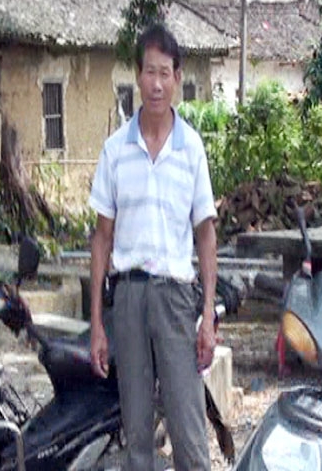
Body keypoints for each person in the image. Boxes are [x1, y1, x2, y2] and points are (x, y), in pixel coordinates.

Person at [88, 23, 217, 471]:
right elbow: (102, 238)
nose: (156, 84)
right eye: (149, 72)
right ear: (138, 76)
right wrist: (97, 324)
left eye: (165, 73)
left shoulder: (191, 149)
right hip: (128, 299)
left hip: (175, 299)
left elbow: (206, 235)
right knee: (137, 433)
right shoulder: (115, 150)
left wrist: (207, 316)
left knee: (188, 432)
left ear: (177, 78)